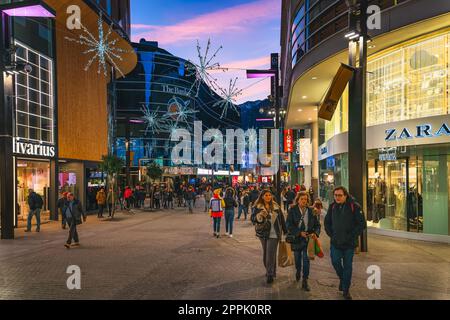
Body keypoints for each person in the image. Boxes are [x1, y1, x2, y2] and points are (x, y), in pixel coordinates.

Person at [324, 186, 366, 300]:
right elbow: (327, 222)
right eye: (335, 195)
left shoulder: (355, 207)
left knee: (348, 266)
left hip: (349, 244)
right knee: (335, 262)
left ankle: (346, 290)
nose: (337, 197)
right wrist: (331, 234)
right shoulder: (332, 207)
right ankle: (343, 280)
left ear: (345, 195)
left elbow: (362, 224)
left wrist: (351, 236)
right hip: (336, 242)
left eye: (340, 195)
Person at [286, 191, 321, 291]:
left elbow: (317, 225)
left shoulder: (311, 210)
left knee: (306, 260)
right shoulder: (292, 210)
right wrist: (299, 232)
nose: (304, 201)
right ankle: (298, 271)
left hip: (308, 239)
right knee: (297, 259)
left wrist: (315, 233)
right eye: (302, 199)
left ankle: (305, 280)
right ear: (298, 200)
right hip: (297, 239)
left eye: (306, 199)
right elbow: (288, 225)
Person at [251, 190, 287, 284]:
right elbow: (253, 219)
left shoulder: (276, 206)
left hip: (274, 233)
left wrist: (285, 231)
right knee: (266, 254)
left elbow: (282, 219)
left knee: (270, 254)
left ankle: (270, 274)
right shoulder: (257, 207)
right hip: (262, 233)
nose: (268, 197)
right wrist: (259, 216)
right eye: (266, 195)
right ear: (262, 196)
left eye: (269, 195)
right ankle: (271, 271)